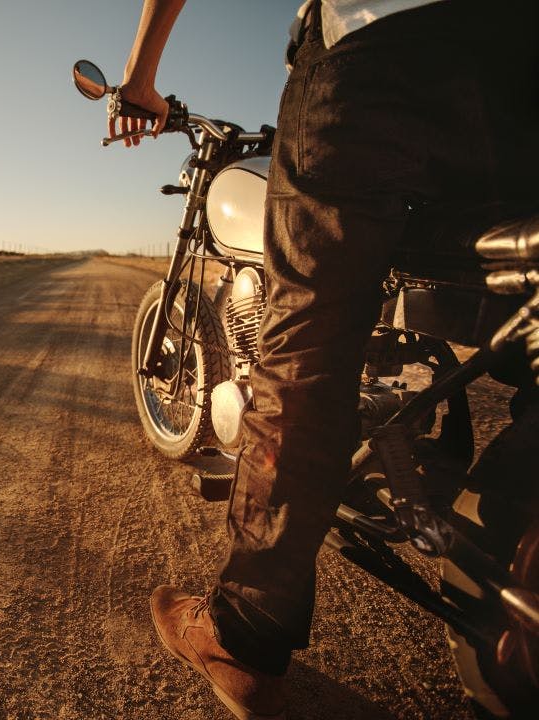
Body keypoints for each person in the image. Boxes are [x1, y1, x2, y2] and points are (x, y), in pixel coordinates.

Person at [111, 1, 539, 718]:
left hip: (378, 49)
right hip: (517, 66)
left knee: (305, 344)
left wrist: (138, 80)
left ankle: (240, 636)